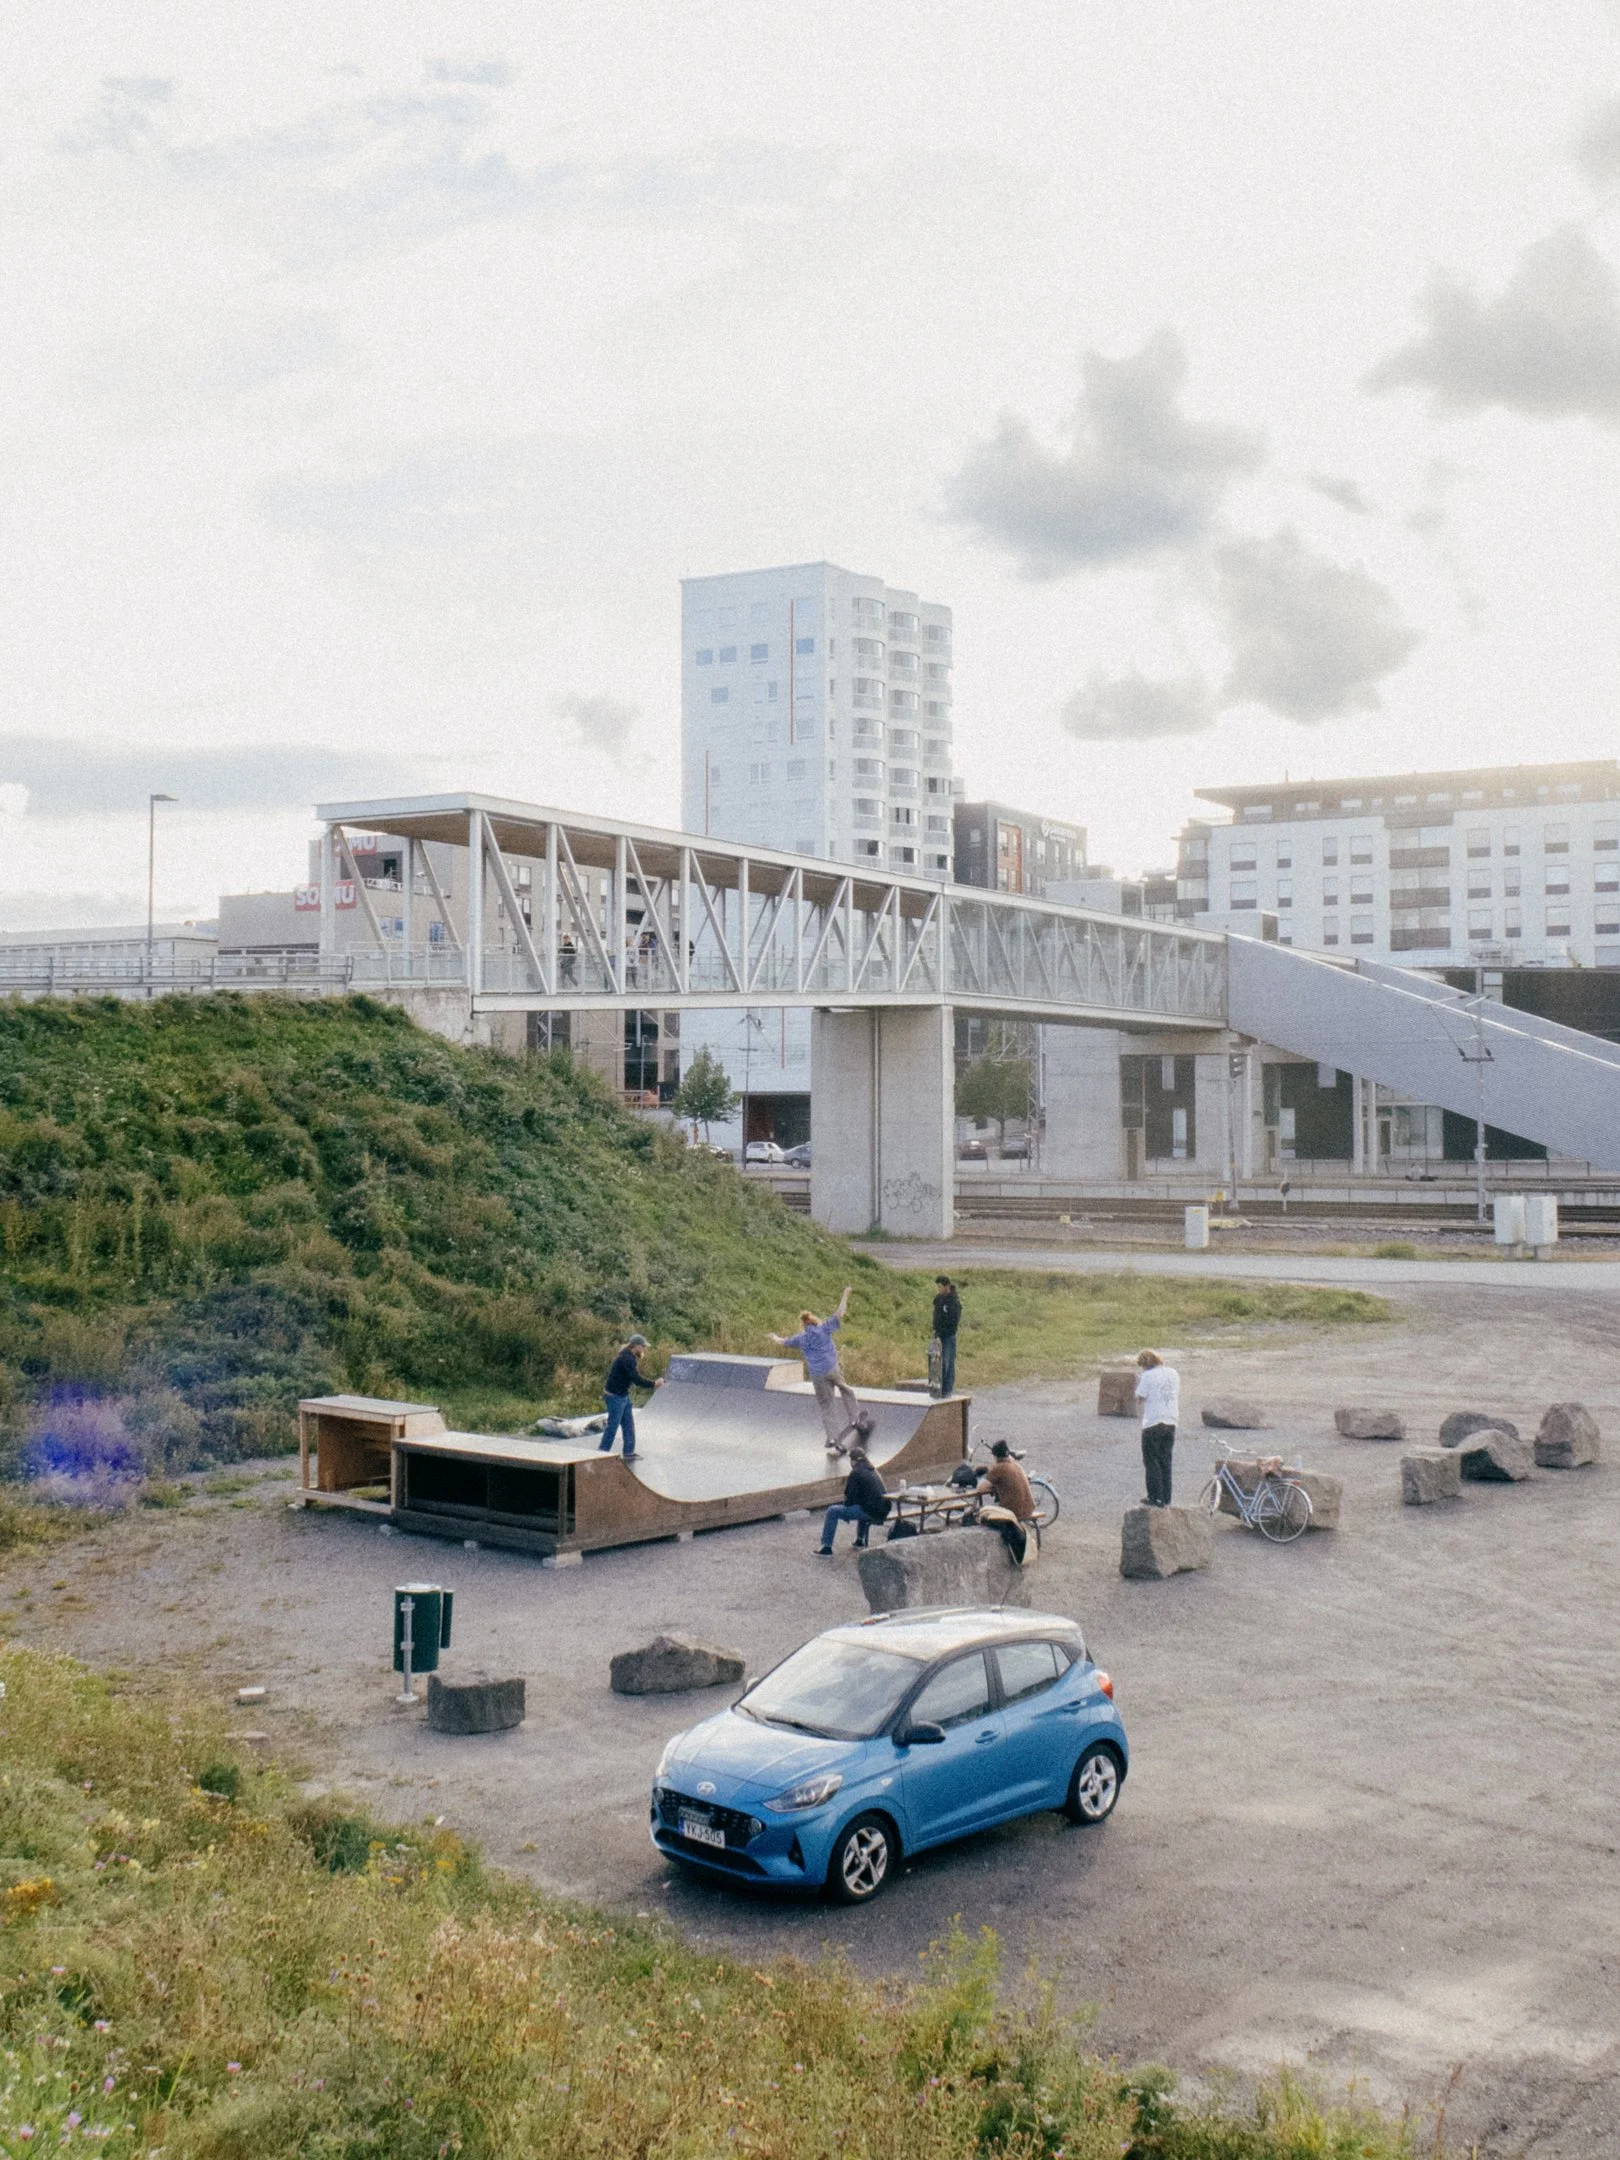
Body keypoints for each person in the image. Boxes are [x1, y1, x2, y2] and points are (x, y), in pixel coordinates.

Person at [769, 1287, 862, 1452]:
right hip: (832, 1368)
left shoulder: (800, 1338)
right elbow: (840, 1313)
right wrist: (845, 1294)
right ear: (814, 1321)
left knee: (826, 1405)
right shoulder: (823, 1328)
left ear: (804, 1325)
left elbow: (783, 1341)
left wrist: (774, 1337)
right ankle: (855, 1418)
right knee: (846, 1390)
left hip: (817, 1375)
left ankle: (832, 1437)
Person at [815, 1445, 889, 1554]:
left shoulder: (856, 1472)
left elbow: (849, 1497)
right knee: (865, 1505)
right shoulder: (874, 1471)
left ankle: (826, 1547)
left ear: (853, 1461)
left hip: (871, 1512)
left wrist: (846, 1512)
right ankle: (860, 1540)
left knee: (832, 1511)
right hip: (883, 1510)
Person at [598, 1334, 662, 1459]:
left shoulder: (628, 1355)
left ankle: (628, 1452)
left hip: (622, 1395)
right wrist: (654, 1384)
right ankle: (601, 1454)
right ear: (636, 1346)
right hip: (615, 1397)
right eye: (643, 1346)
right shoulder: (626, 1359)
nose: (644, 1349)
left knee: (628, 1425)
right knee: (612, 1426)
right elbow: (636, 1379)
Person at [1134, 1348, 1180, 1507]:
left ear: (1144, 1364)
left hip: (1153, 1421)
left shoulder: (1147, 1376)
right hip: (1171, 1420)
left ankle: (1154, 1496)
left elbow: (1140, 1397)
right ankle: (1166, 1497)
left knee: (1151, 1460)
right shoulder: (1173, 1373)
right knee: (1165, 1459)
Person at [931, 1275, 961, 1397]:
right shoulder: (938, 1299)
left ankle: (947, 1390)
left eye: (940, 1286)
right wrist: (936, 1333)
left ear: (946, 1286)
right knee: (937, 1362)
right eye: (937, 1286)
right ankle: (938, 1388)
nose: (938, 1289)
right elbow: (936, 1317)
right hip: (938, 1336)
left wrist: (944, 1332)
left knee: (947, 1363)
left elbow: (953, 1321)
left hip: (948, 1336)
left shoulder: (954, 1301)